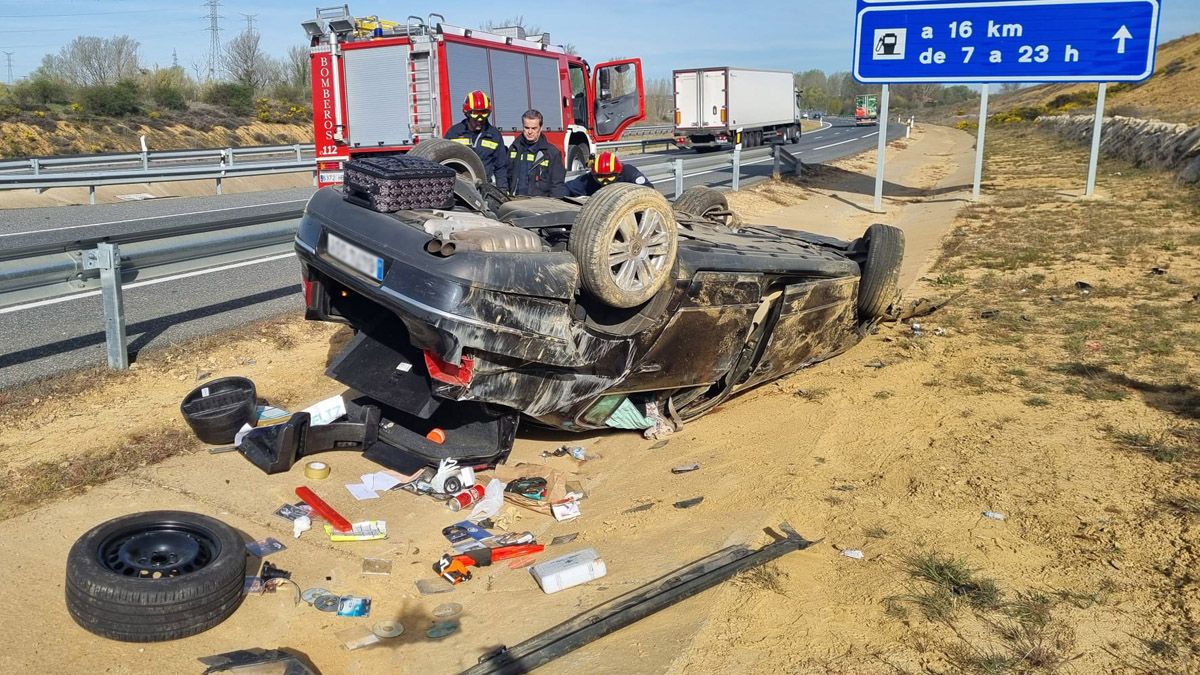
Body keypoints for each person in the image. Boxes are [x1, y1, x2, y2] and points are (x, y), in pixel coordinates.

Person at [444, 90, 508, 187]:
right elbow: (444, 162)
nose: (479, 120)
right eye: (475, 114)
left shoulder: (494, 135)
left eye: (483, 114)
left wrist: (503, 190)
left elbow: (501, 167)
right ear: (467, 114)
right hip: (460, 188)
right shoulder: (454, 133)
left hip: (484, 187)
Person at [507, 109, 565, 197]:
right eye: (526, 128)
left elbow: (557, 186)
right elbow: (506, 175)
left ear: (540, 128)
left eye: (534, 128)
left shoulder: (552, 153)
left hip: (539, 205)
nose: (530, 132)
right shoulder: (514, 149)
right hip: (515, 201)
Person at [565, 150, 653, 197]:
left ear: (619, 173)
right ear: (594, 174)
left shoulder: (628, 172)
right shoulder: (589, 179)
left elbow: (649, 189)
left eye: (610, 176)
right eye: (600, 176)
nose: (605, 180)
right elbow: (567, 188)